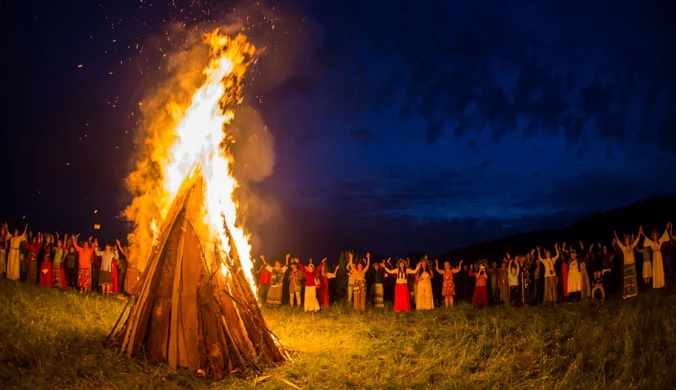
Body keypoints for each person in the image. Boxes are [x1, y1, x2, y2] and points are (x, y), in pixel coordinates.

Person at [640, 224, 670, 290]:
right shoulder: (651, 243)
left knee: (660, 269)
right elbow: (646, 239)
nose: (655, 236)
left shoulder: (659, 241)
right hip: (655, 257)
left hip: (659, 256)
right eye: (654, 235)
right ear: (653, 236)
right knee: (656, 269)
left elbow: (664, 236)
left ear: (657, 236)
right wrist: (642, 233)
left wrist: (667, 227)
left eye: (656, 235)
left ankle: (661, 283)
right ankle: (656, 284)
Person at [614, 229, 641, 299]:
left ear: (629, 241)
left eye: (628, 240)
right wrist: (615, 235)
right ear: (625, 242)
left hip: (632, 265)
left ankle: (634, 293)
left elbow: (636, 241)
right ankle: (628, 294)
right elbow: (619, 243)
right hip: (627, 266)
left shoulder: (631, 247)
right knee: (627, 281)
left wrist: (639, 233)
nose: (627, 241)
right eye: (625, 240)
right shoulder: (623, 248)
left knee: (633, 280)